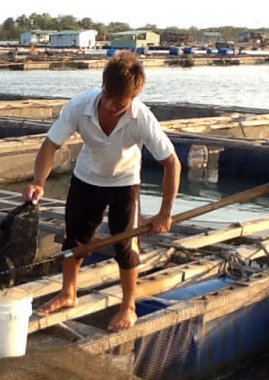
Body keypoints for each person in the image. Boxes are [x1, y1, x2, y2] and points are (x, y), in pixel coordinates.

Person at [23, 51, 181, 332]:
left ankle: (128, 307)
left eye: (118, 102)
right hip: (86, 177)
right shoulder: (80, 106)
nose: (108, 105)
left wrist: (165, 213)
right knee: (74, 240)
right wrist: (39, 182)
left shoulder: (142, 118)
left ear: (132, 98)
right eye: (106, 95)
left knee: (126, 247)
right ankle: (68, 293)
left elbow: (172, 163)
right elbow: (50, 145)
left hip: (124, 182)